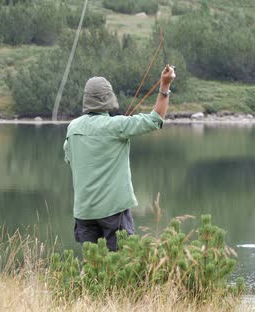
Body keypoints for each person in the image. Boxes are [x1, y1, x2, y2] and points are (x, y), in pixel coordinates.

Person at [63, 65, 176, 251]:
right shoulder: (116, 126)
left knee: (94, 266)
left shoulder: (73, 128)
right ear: (109, 98)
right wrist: (164, 86)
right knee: (124, 263)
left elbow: (69, 158)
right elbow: (156, 120)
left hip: (84, 212)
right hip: (114, 211)